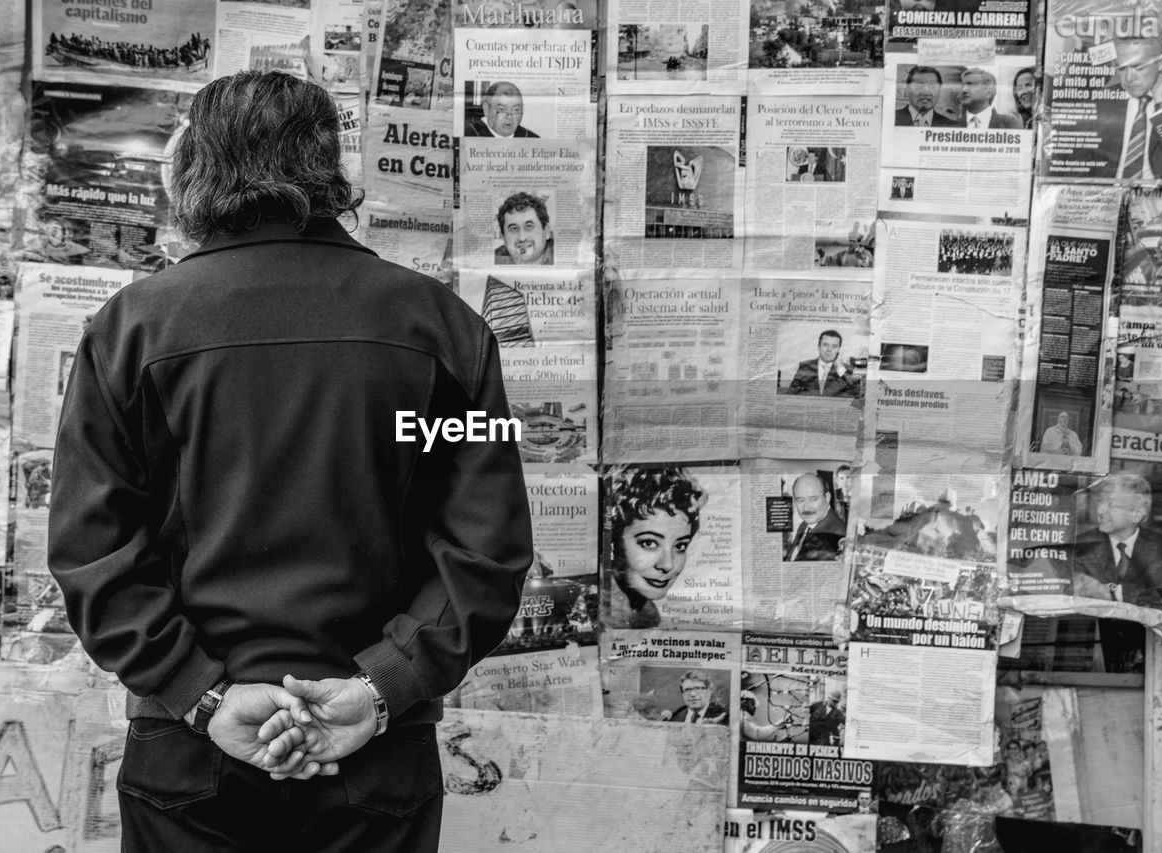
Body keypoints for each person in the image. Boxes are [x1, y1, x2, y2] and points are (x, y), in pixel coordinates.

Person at [47, 71, 533, 853]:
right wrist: (379, 690)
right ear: (329, 167)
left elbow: (92, 551)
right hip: (375, 758)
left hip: (189, 756)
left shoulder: (132, 330)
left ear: (197, 171)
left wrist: (202, 696)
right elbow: (485, 549)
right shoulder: (440, 331)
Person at [604, 466, 708, 628]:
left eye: (680, 546)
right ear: (612, 542)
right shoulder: (590, 612)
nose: (668, 565)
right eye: (649, 543)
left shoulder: (647, 616)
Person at [1072, 472, 1162, 607]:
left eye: (1111, 504)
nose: (1100, 510)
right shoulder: (1080, 545)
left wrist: (1114, 593)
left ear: (1136, 514)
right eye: (1100, 501)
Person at [1099, 35, 1162, 180]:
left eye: (1138, 67)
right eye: (1122, 68)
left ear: (1161, 62)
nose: (1129, 78)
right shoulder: (1101, 101)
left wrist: (1161, 103)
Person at [786, 473, 846, 561]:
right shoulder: (805, 524)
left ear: (827, 498)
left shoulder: (836, 536)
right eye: (800, 500)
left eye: (813, 499)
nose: (806, 507)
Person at [786, 330, 861, 397]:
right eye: (825, 345)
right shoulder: (805, 366)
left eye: (834, 346)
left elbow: (857, 393)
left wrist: (840, 369)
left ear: (838, 349)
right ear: (819, 346)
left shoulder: (846, 370)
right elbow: (791, 393)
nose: (829, 350)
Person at [494, 192, 554, 265]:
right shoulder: (493, 259)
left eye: (529, 226)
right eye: (514, 229)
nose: (522, 238)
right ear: (504, 238)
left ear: (546, 231)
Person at [465, 82, 539, 138]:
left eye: (516, 110)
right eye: (501, 109)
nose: (509, 116)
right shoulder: (469, 134)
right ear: (486, 109)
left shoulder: (531, 139)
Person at [895, 66, 962, 127]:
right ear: (907, 89)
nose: (926, 92)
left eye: (932, 86)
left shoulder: (950, 126)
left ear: (939, 91)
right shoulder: (892, 118)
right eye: (919, 85)